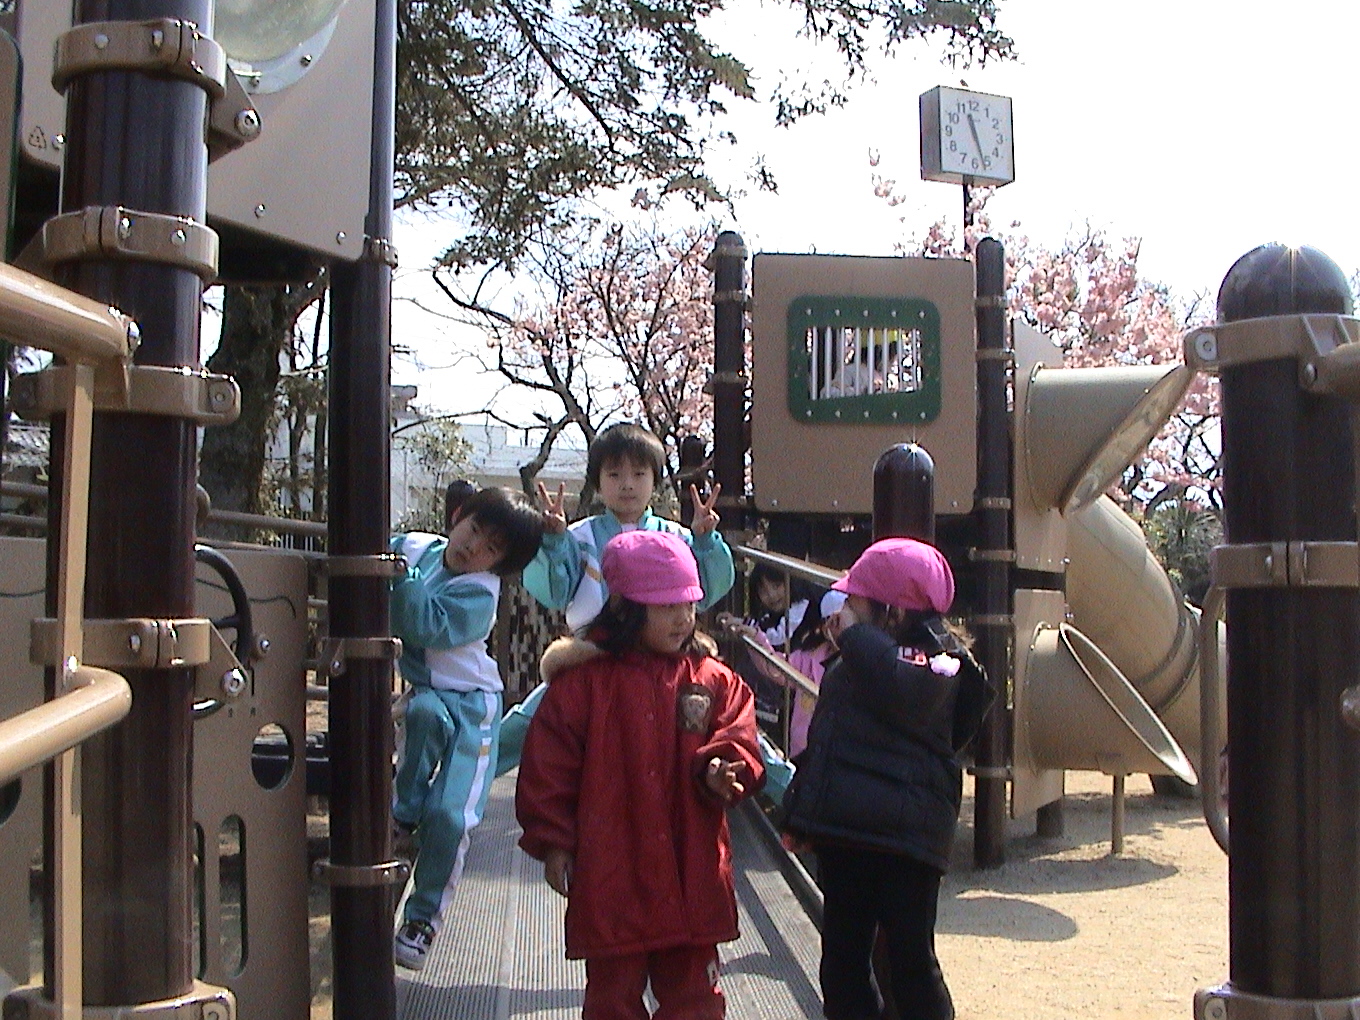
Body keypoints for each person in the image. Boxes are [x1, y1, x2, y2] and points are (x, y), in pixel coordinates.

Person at [515, 530, 764, 1020]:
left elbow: (739, 731)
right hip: (614, 869)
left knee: (696, 1000)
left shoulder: (710, 677)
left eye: (689, 603)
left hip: (689, 865)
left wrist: (721, 767)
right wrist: (555, 840)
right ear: (626, 608)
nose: (683, 618)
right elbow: (550, 766)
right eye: (667, 606)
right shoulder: (583, 684)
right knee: (613, 1000)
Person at [781, 538, 994, 1020]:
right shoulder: (858, 659)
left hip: (906, 842)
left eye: (855, 604)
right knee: (843, 963)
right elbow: (828, 740)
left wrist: (856, 638)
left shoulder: (938, 663)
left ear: (893, 614)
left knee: (911, 963)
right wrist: (803, 812)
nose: (843, 613)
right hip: (849, 834)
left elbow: (904, 686)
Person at [500, 422, 736, 775]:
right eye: (614, 474)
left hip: (665, 655)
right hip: (592, 654)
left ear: (654, 480)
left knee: (728, 711)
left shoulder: (678, 537)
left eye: (639, 474)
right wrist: (553, 542)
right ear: (597, 482)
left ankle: (792, 788)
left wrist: (705, 542)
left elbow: (706, 592)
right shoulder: (577, 536)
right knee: (527, 722)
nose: (627, 484)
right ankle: (468, 783)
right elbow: (554, 592)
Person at [389, 485, 545, 971]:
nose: (472, 546)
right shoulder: (418, 546)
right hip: (432, 693)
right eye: (473, 529)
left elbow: (420, 624)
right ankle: (402, 813)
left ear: (499, 566)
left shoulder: (480, 594)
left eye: (490, 548)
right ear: (458, 516)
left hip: (475, 707)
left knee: (452, 815)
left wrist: (401, 575)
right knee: (421, 716)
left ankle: (423, 919)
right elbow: (380, 548)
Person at [719, 587, 845, 758]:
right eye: (829, 622)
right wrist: (755, 639)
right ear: (823, 628)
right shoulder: (809, 658)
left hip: (840, 752)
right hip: (803, 750)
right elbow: (777, 668)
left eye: (840, 621)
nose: (836, 629)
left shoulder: (863, 664)